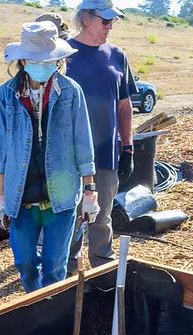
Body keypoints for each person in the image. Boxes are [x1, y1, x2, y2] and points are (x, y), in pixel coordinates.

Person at [0, 22, 97, 293]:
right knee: (25, 262)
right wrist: (1, 199)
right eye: (37, 60)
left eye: (50, 60)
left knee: (55, 264)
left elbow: (82, 144)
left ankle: (50, 312)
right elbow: (0, 150)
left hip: (60, 195)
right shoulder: (6, 95)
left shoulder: (71, 92)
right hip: (21, 195)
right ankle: (32, 299)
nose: (44, 65)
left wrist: (90, 192)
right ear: (23, 60)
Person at [65, 0, 138, 273]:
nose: (110, 26)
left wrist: (128, 148)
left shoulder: (117, 55)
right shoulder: (65, 53)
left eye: (113, 21)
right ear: (85, 18)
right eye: (105, 20)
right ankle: (67, 272)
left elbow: (124, 105)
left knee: (102, 216)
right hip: (69, 154)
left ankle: (102, 271)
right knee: (69, 215)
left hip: (106, 151)